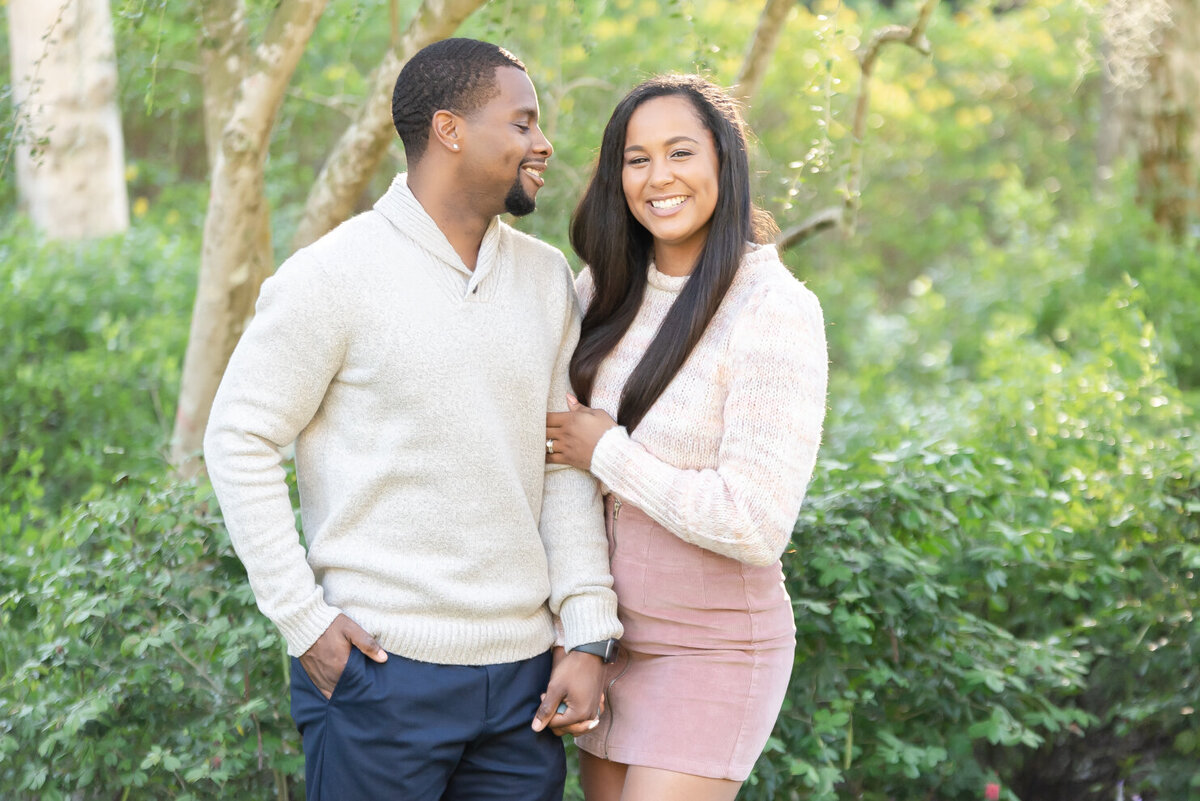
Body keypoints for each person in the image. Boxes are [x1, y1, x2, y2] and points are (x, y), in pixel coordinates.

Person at [203, 38, 622, 801]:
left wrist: (586, 632)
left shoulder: (544, 279)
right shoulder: (333, 275)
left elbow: (561, 462)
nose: (544, 142)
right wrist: (305, 622)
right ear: (450, 129)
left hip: (523, 690)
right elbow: (238, 436)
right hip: (382, 677)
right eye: (522, 122)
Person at [544, 74, 828, 801]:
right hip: (608, 641)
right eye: (636, 159)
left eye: (679, 153)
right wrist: (584, 632)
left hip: (715, 647)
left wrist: (606, 450)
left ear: (723, 165)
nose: (658, 177)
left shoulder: (773, 309)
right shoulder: (600, 290)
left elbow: (755, 521)